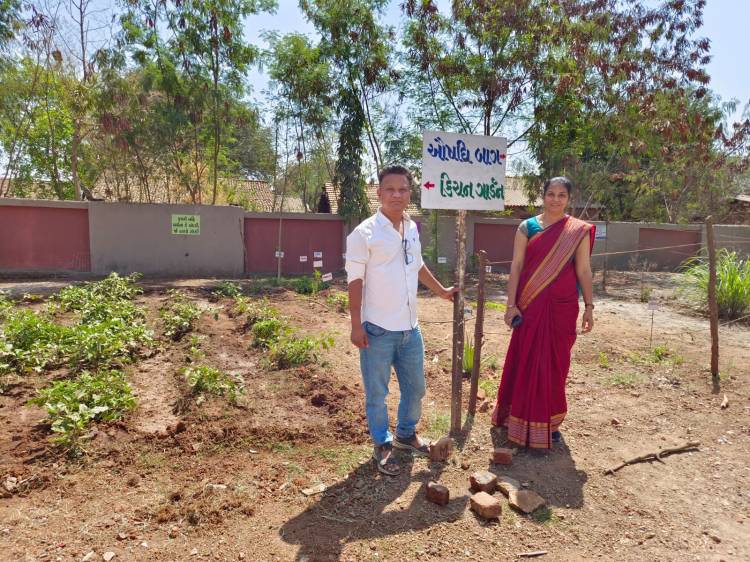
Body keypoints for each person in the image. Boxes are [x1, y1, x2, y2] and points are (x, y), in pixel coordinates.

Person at [346, 165, 455, 475]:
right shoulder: (364, 234)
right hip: (377, 330)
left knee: (416, 388)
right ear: (378, 193)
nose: (397, 194)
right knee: (377, 394)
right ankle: (382, 444)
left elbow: (417, 265)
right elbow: (355, 281)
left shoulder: (411, 228)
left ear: (410, 193)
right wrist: (356, 325)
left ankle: (406, 434)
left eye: (403, 189)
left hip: (410, 329)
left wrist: (442, 291)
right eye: (390, 189)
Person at [491, 176, 595, 449]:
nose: (556, 199)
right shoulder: (527, 227)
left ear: (569, 199)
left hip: (562, 308)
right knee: (525, 359)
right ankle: (516, 418)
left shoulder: (578, 231)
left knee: (556, 365)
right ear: (543, 195)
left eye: (562, 195)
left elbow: (584, 270)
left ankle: (550, 422)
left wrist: (589, 307)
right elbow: (516, 266)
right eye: (551, 194)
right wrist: (510, 304)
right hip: (530, 304)